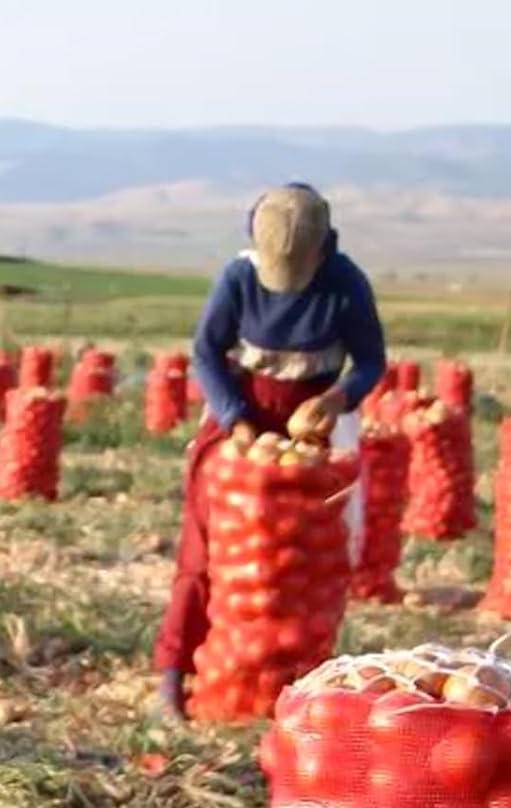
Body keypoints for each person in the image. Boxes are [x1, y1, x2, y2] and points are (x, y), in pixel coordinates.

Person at [153, 183, 386, 719]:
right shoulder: (239, 277)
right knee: (206, 548)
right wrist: (235, 419)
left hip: (313, 431)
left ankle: (291, 684)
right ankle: (175, 677)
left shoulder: (345, 284)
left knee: (306, 557)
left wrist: (336, 397)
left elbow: (372, 362)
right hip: (244, 416)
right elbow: (206, 352)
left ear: (324, 250)